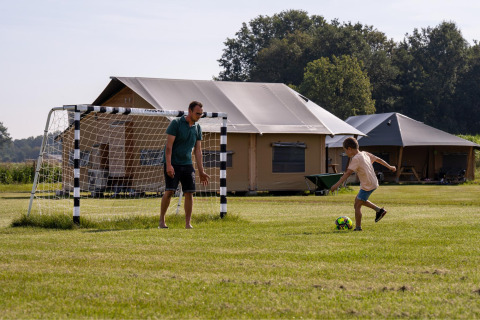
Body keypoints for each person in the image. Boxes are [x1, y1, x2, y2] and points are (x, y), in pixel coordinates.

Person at [159, 101, 210, 229]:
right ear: (190, 111)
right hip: (173, 162)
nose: (199, 116)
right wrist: (169, 165)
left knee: (189, 193)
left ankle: (188, 224)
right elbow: (168, 147)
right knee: (169, 191)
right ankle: (161, 222)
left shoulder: (198, 128)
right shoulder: (176, 123)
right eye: (197, 113)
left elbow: (198, 150)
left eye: (201, 114)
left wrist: (201, 171)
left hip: (187, 164)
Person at [330, 137, 396, 231]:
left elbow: (348, 173)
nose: (346, 153)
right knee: (359, 201)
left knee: (357, 204)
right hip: (373, 182)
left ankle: (358, 228)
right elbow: (378, 159)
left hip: (367, 185)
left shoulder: (356, 158)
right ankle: (379, 211)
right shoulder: (364, 153)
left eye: (345, 150)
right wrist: (390, 167)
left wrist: (337, 185)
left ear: (349, 149)